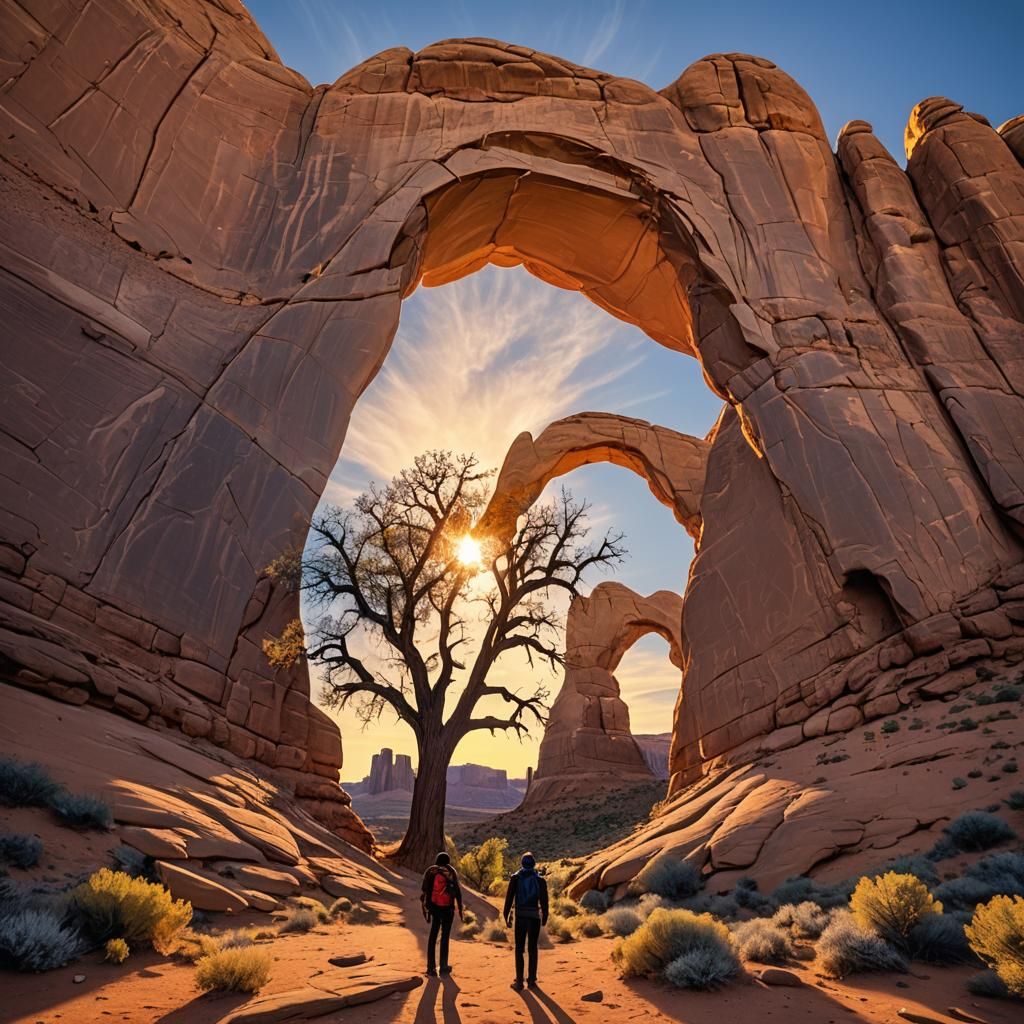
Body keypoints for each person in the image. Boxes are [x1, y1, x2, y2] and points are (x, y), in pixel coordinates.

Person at [503, 851, 549, 991]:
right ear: (534, 864)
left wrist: (506, 915)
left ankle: (519, 982)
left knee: (519, 948)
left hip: (521, 916)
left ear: (522, 863)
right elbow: (544, 901)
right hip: (534, 917)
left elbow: (509, 898)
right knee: (532, 948)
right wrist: (545, 916)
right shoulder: (540, 880)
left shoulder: (515, 878)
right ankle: (532, 981)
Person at [420, 851, 464, 976]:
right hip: (447, 909)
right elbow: (457, 891)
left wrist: (427, 906)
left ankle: (430, 967)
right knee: (445, 937)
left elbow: (424, 890)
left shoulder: (431, 871)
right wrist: (460, 909)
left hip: (434, 908)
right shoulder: (451, 872)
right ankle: (443, 966)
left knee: (433, 935)